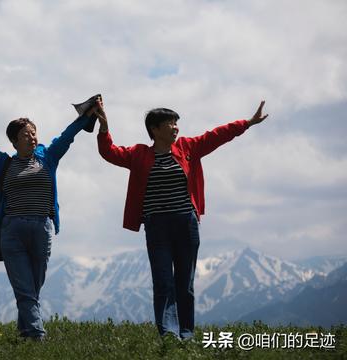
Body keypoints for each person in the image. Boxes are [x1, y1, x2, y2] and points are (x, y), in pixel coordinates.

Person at [95, 98, 268, 340]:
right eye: (169, 123)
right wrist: (103, 127)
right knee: (163, 281)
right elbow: (109, 152)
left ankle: (186, 333)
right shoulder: (139, 154)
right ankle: (168, 333)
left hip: (186, 223)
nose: (176, 127)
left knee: (184, 283)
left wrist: (247, 123)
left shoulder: (188, 148)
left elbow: (217, 135)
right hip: (157, 226)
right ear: (154, 130)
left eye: (176, 123)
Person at [0, 102, 97, 341]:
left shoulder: (48, 156)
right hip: (12, 231)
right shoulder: (2, 163)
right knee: (24, 288)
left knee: (32, 288)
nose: (31, 137)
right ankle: (37, 336)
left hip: (42, 229)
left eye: (33, 132)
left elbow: (67, 136)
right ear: (14, 142)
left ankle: (24, 334)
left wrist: (86, 117)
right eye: (25, 134)